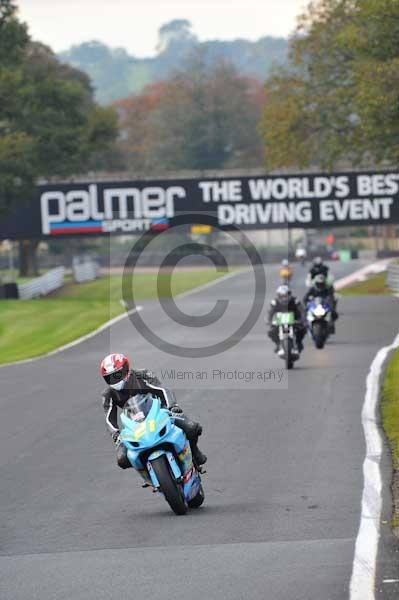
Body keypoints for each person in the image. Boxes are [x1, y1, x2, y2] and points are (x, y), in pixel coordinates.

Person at [100, 353, 207, 470]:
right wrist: (116, 434)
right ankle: (147, 471)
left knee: (192, 427)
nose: (115, 380)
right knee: (122, 459)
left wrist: (172, 406)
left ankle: (195, 453)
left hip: (160, 413)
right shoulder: (108, 394)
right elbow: (108, 417)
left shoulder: (142, 375)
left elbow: (162, 389)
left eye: (117, 374)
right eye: (110, 377)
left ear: (126, 369)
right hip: (134, 425)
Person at [267, 285, 306, 352]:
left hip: (295, 320)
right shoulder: (274, 302)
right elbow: (270, 313)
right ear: (278, 296)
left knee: (302, 329)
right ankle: (278, 344)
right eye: (282, 296)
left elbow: (302, 311)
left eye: (286, 296)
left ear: (289, 294)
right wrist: (269, 321)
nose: (284, 298)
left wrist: (302, 319)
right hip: (280, 321)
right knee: (271, 332)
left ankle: (299, 343)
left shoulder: (295, 301)